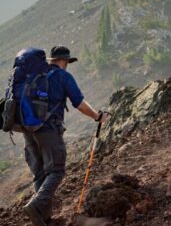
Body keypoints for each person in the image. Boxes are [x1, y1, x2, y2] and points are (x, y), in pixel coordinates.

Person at [22, 46, 109, 226]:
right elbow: (79, 103)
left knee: (40, 173)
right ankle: (35, 205)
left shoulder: (34, 75)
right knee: (56, 171)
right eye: (68, 62)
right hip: (48, 130)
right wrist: (97, 116)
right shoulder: (63, 76)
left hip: (28, 130)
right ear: (64, 61)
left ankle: (43, 219)